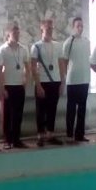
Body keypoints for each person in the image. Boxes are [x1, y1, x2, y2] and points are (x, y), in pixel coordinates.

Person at [31, 18, 65, 146]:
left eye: (51, 28)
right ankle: (40, 135)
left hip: (55, 81)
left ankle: (50, 134)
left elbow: (61, 64)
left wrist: (62, 82)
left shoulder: (58, 45)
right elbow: (33, 67)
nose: (50, 30)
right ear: (42, 29)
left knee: (52, 109)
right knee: (41, 110)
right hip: (42, 82)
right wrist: (38, 85)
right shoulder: (36, 46)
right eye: (47, 28)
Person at [0, 23, 29, 150]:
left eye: (18, 32)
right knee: (7, 114)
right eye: (14, 32)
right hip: (7, 86)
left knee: (18, 114)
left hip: (19, 86)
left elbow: (27, 67)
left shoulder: (23, 49)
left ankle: (16, 140)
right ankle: (7, 140)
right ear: (8, 34)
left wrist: (25, 80)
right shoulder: (2, 50)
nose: (16, 34)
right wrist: (2, 88)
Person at [61, 16, 91, 143]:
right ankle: (69, 134)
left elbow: (88, 58)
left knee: (82, 108)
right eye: (78, 26)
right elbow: (64, 61)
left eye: (82, 26)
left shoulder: (87, 41)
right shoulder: (69, 42)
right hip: (72, 80)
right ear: (73, 27)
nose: (80, 28)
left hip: (85, 80)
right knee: (71, 108)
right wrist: (64, 78)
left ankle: (80, 134)